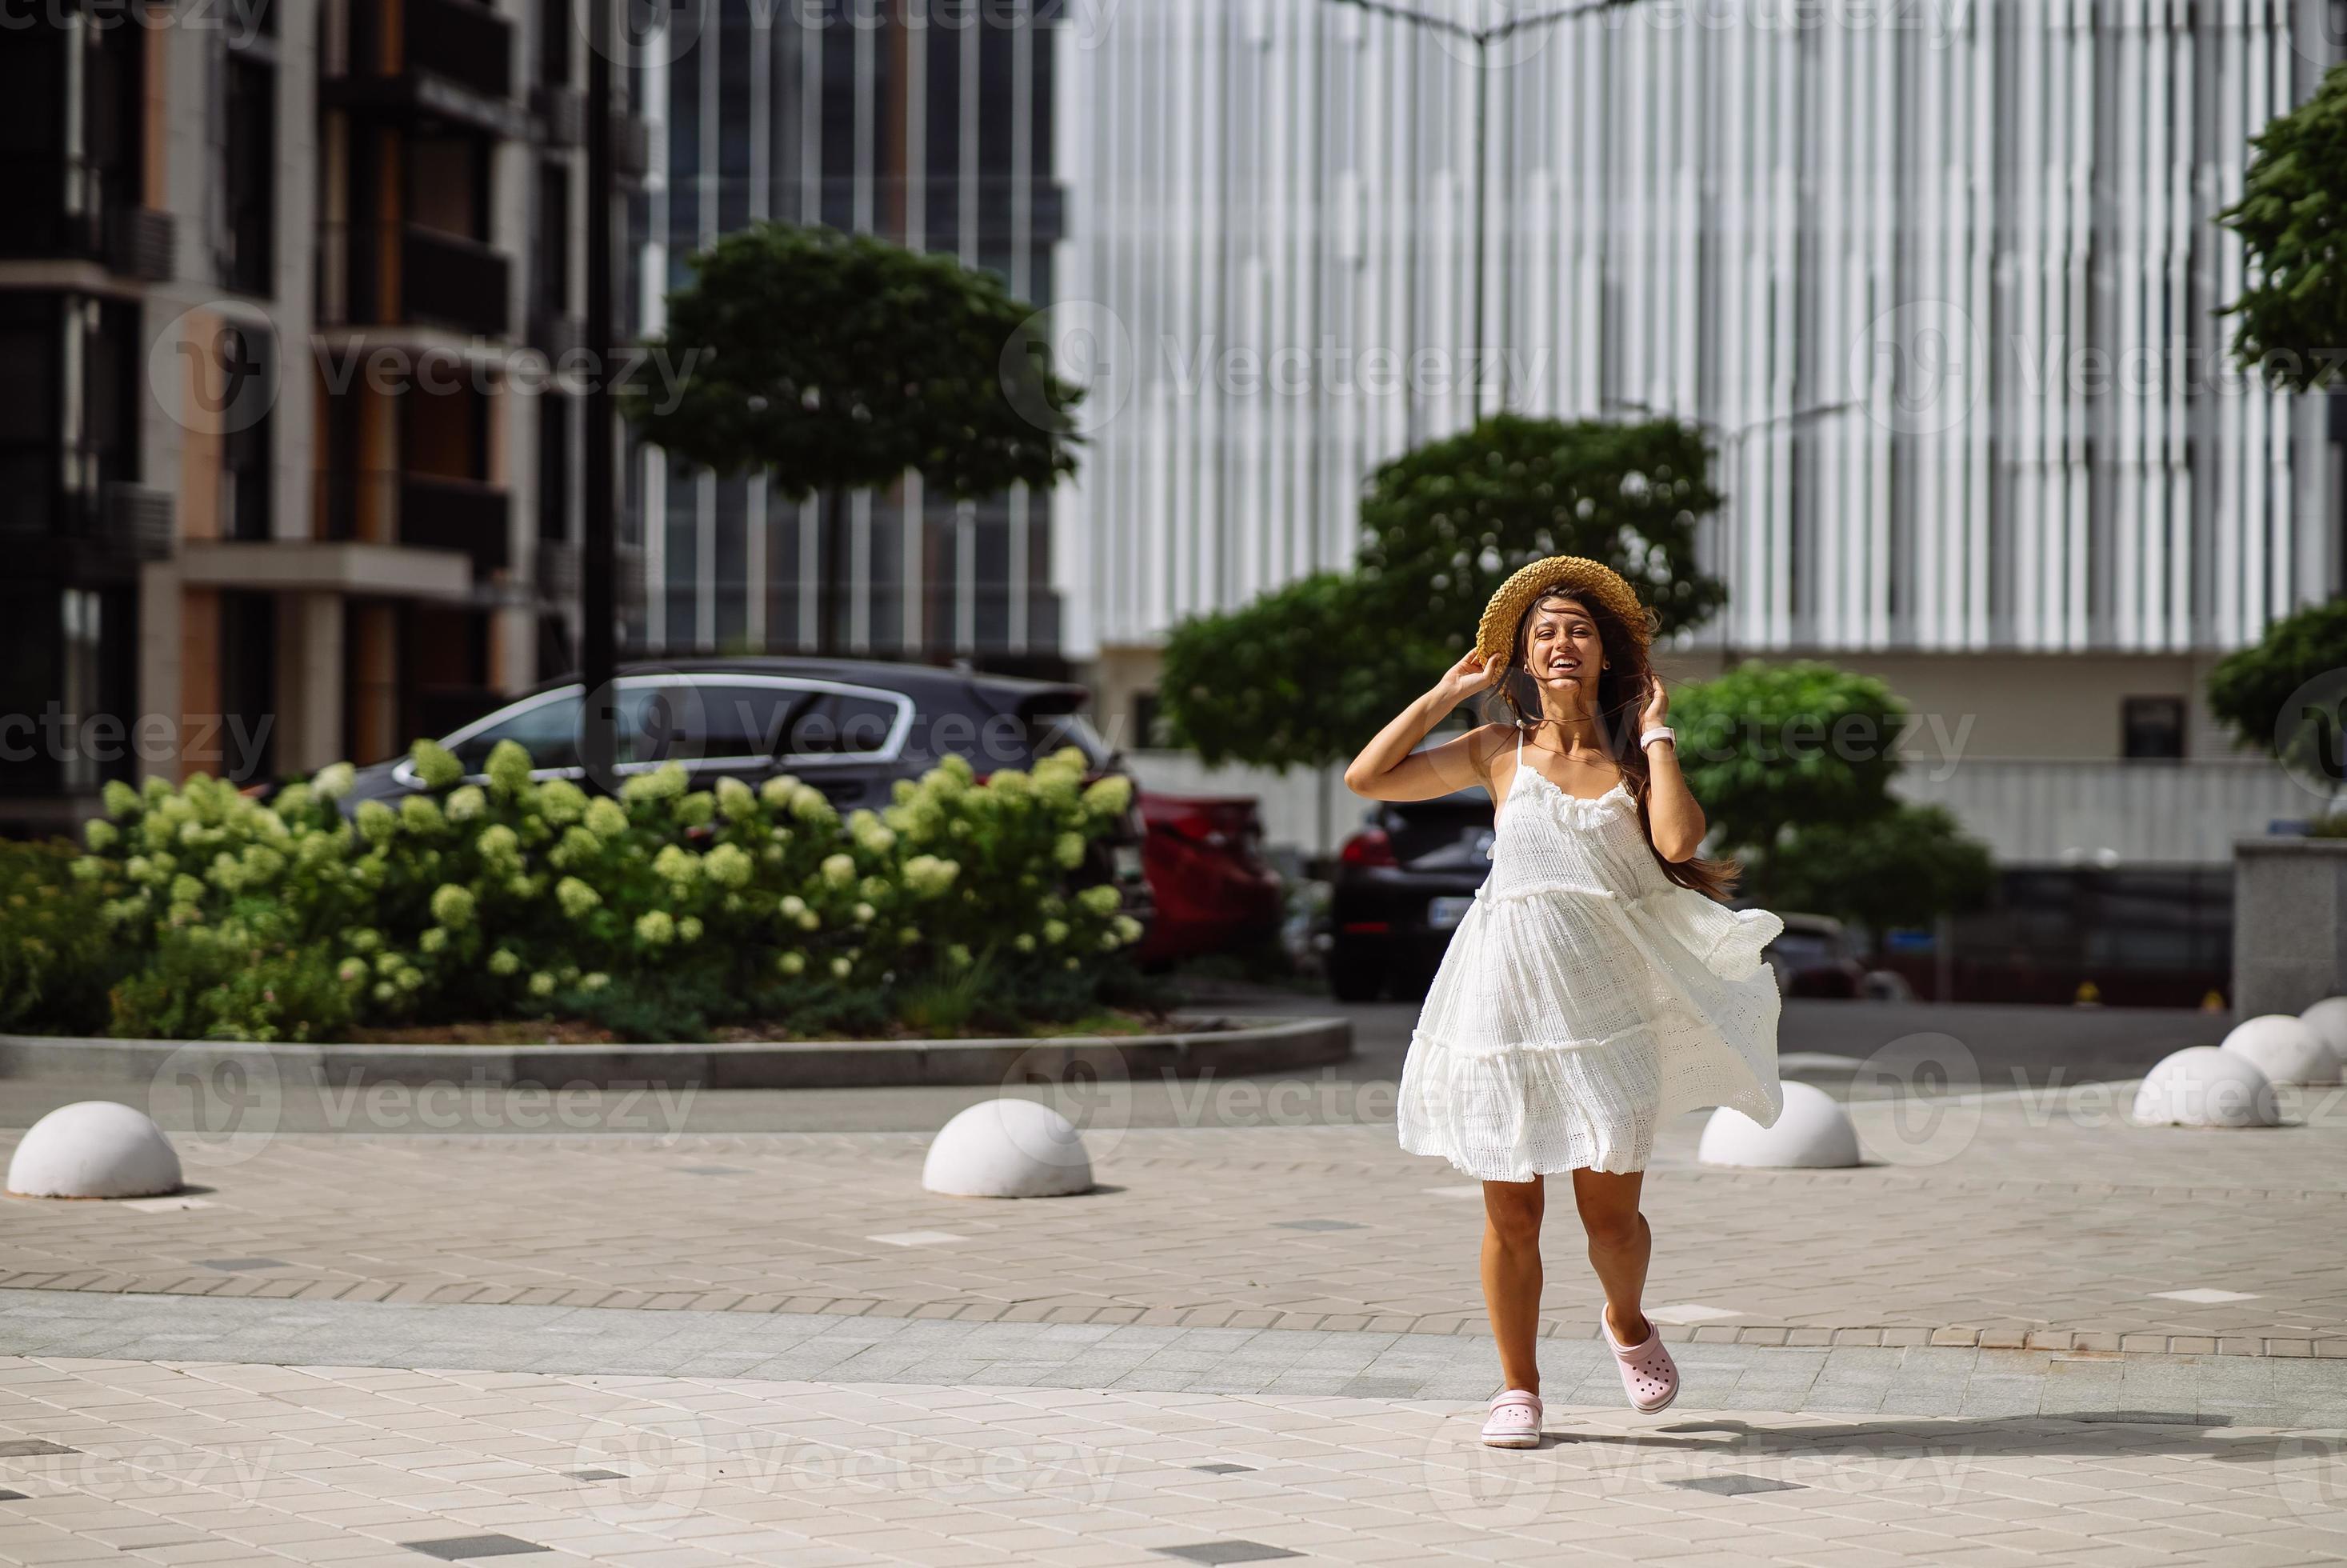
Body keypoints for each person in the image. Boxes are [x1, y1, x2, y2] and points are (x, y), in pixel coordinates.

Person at [1341, 555, 1784, 1448]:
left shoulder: (1631, 760)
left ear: (1604, 653)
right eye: (1543, 632)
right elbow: (1369, 778)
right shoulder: (1498, 751)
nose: (1560, 642)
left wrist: (1659, 735)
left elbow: (1678, 839)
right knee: (1512, 1210)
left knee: (1609, 1219)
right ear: (1524, 660)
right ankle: (1519, 1388)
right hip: (1502, 1007)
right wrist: (1444, 693)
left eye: (1576, 628)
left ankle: (1626, 1320)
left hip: (1606, 1015)